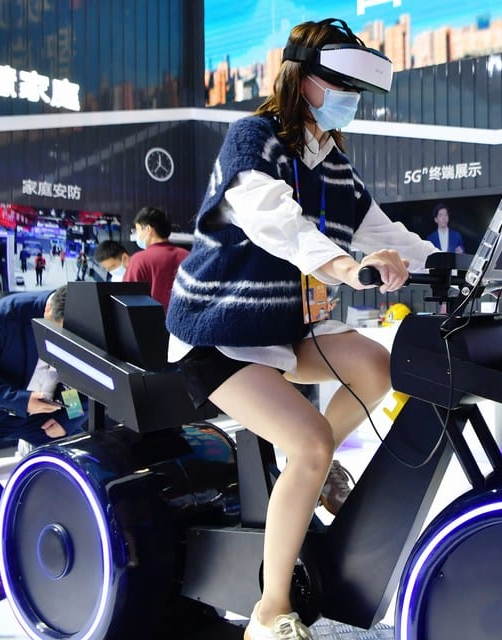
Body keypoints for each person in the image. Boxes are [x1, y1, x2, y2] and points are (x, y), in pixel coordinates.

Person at [164, 18, 436, 640]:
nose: (349, 99)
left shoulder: (333, 163)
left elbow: (387, 234)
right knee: (312, 444)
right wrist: (344, 267)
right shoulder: (254, 137)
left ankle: (308, 468)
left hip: (282, 328)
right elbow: (275, 222)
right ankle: (270, 611)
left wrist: (458, 264)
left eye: (355, 89)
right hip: (217, 330)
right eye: (339, 84)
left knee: (375, 366)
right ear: (301, 78)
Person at [0, 286, 87, 450]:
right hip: (2, 406)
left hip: (46, 416)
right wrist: (21, 401)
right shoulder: (5, 316)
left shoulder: (88, 328)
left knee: (83, 455)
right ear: (48, 309)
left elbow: (79, 384)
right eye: (54, 333)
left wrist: (68, 420)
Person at [123, 206, 189, 311]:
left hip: (151, 319)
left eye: (137, 230)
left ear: (148, 229)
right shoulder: (187, 255)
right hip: (182, 319)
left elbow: (128, 297)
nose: (137, 235)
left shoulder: (139, 260)